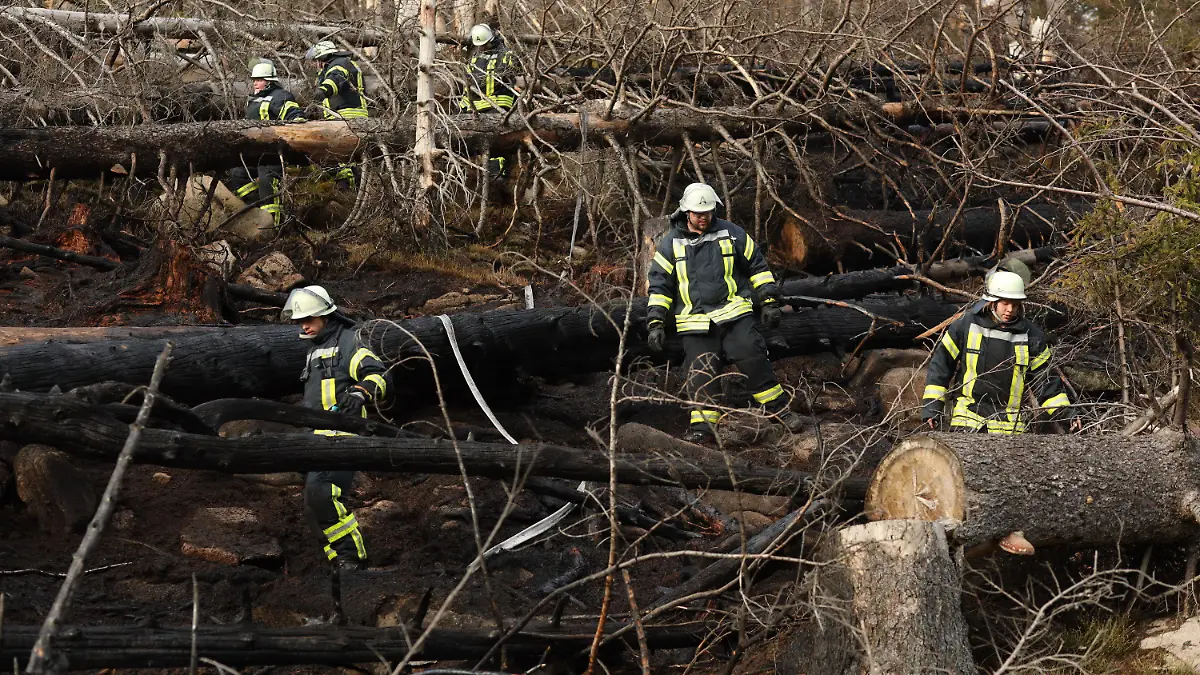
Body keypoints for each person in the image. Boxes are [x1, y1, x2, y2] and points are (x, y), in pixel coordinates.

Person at [646, 183, 806, 444]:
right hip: (695, 321)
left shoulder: (732, 234)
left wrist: (769, 301)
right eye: (698, 213)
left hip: (734, 313)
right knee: (700, 371)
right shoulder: (670, 244)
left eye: (707, 212)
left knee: (752, 355)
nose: (703, 218)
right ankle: (703, 427)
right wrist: (655, 322)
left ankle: (779, 411)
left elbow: (758, 267)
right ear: (686, 212)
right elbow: (659, 286)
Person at [281, 286, 391, 570]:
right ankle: (338, 563)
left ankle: (351, 560)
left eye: (309, 319)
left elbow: (379, 375)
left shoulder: (348, 342)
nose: (304, 326)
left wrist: (360, 392)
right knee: (312, 506)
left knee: (322, 496)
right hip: (316, 439)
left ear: (326, 316)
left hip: (340, 437)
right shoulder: (314, 349)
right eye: (300, 321)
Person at [921, 270, 1080, 435]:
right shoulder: (965, 326)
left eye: (1015, 304)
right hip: (967, 421)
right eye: (1005, 303)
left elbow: (1045, 382)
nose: (1010, 309)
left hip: (1010, 428)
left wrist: (1068, 415)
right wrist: (932, 408)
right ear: (992, 301)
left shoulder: (1031, 336)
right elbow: (941, 367)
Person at [224, 60, 304, 227]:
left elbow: (295, 115)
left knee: (267, 182)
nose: (255, 83)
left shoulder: (280, 96)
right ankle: (255, 208)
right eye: (254, 80)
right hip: (254, 152)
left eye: (259, 80)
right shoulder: (253, 99)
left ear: (269, 81)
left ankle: (275, 226)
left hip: (273, 153)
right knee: (238, 173)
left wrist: (298, 126)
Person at [304, 40, 368, 189]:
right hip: (340, 115)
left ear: (323, 57)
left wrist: (322, 91)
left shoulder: (340, 64)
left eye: (317, 60)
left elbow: (336, 79)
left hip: (347, 115)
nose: (316, 64)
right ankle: (346, 185)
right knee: (340, 155)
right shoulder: (335, 66)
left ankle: (349, 186)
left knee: (341, 154)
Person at [458, 24, 519, 177]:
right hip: (477, 107)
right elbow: (468, 84)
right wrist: (463, 105)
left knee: (496, 139)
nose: (483, 48)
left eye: (485, 45)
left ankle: (497, 172)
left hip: (498, 105)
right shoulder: (475, 57)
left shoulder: (506, 55)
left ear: (492, 40)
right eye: (481, 45)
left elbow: (513, 77)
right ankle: (470, 170)